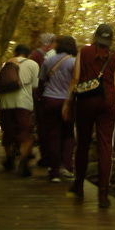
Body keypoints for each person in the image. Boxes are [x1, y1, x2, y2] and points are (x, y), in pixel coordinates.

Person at [62, 23, 115, 208]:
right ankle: (103, 194)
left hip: (86, 102)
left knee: (83, 143)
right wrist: (110, 102)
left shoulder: (83, 52)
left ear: (95, 37)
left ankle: (78, 185)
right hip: (107, 102)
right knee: (105, 146)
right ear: (110, 40)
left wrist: (68, 102)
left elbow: (75, 79)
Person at [0, 44, 39, 177]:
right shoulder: (33, 64)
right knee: (25, 133)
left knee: (8, 131)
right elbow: (35, 86)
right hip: (23, 102)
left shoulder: (8, 64)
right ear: (28, 54)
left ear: (15, 52)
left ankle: (9, 159)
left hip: (5, 102)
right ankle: (23, 163)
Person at [39, 35, 77, 182]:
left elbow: (41, 81)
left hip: (49, 99)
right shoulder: (74, 63)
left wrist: (40, 99)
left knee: (53, 134)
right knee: (68, 133)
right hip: (67, 102)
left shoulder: (48, 61)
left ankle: (54, 171)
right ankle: (66, 167)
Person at [29, 32, 56, 166]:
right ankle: (49, 156)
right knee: (47, 127)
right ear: (51, 43)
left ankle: (46, 155)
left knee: (43, 127)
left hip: (41, 96)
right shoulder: (40, 56)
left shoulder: (35, 55)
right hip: (48, 95)